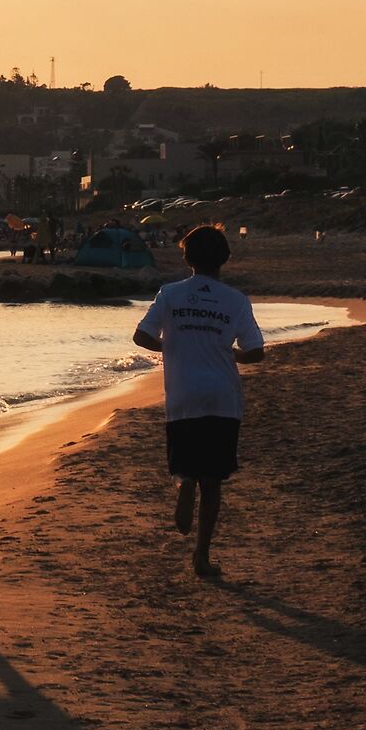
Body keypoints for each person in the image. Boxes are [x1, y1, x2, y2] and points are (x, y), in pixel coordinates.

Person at [133, 224, 265, 580]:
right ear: (225, 259)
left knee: (186, 463)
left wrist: (172, 346)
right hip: (222, 396)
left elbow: (141, 336)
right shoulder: (236, 300)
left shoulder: (170, 294)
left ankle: (184, 482)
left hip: (183, 395)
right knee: (215, 482)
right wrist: (230, 353)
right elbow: (256, 352)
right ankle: (201, 557)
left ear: (186, 258)